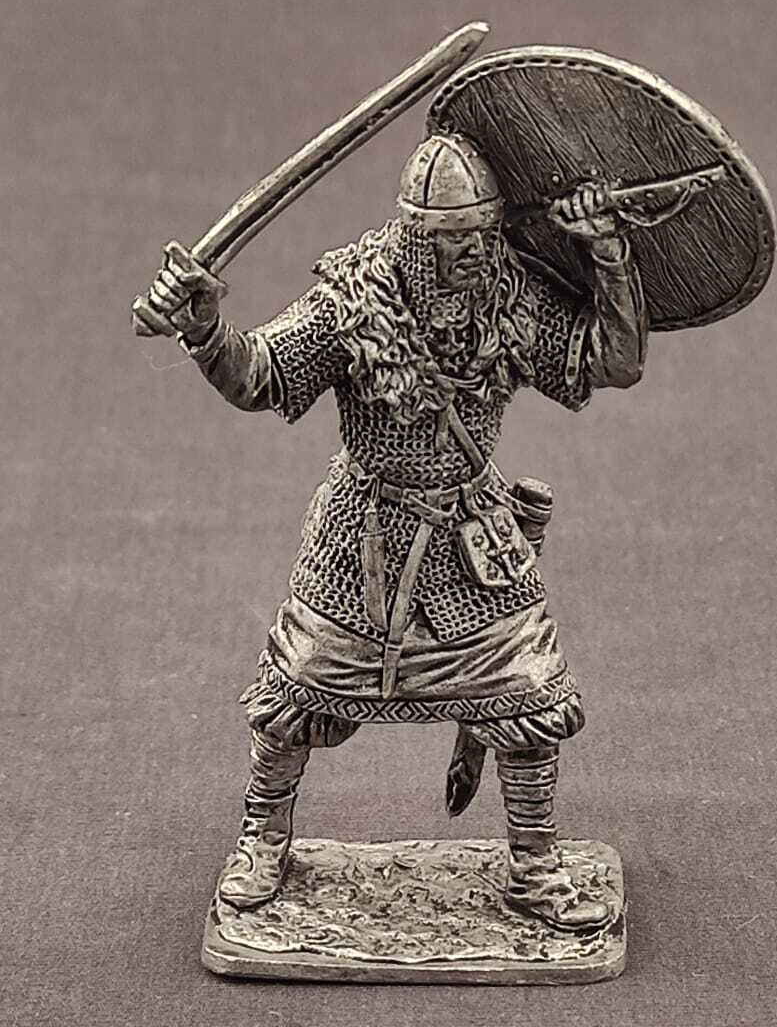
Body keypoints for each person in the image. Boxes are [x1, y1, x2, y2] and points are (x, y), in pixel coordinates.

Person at [146, 133, 647, 932]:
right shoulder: (354, 301)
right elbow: (260, 374)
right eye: (453, 241)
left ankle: (533, 866)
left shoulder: (509, 295)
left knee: (529, 688)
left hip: (474, 541)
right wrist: (207, 328)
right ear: (416, 238)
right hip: (361, 540)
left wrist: (611, 258)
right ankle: (262, 837)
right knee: (294, 689)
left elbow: (611, 361)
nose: (472, 253)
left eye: (481, 236)